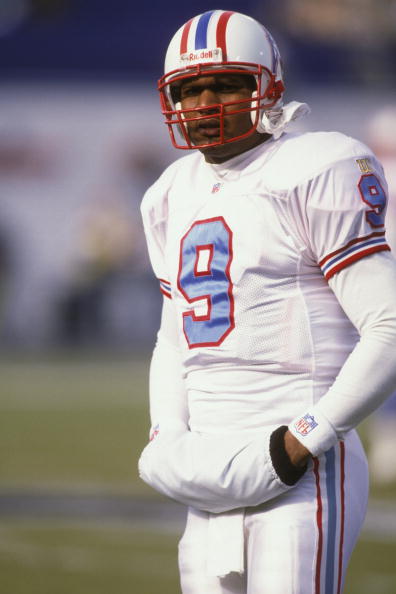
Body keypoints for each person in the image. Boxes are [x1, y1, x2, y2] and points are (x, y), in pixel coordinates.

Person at [138, 10, 396, 594]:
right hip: (207, 459)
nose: (205, 102)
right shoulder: (169, 193)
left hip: (301, 460)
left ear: (269, 86)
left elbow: (389, 324)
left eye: (226, 83)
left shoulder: (316, 165)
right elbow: (172, 336)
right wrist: (167, 433)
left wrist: (308, 435)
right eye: (188, 89)